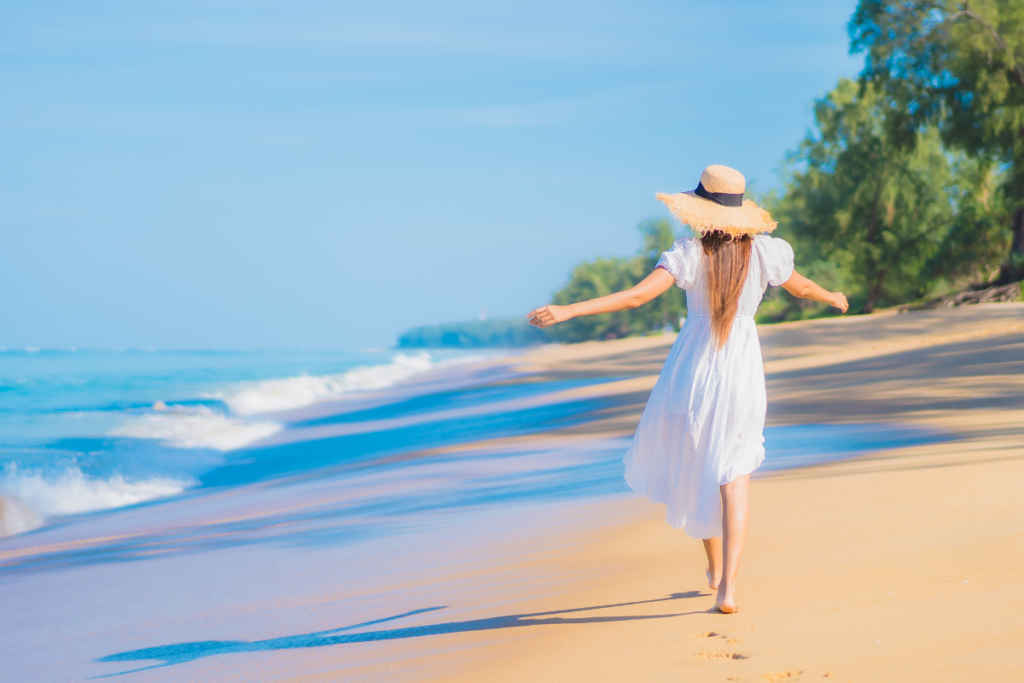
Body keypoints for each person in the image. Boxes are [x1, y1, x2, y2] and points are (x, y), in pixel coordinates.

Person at [527, 165, 848, 614]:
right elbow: (804, 287)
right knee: (734, 479)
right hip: (741, 376)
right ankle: (727, 589)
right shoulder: (767, 254)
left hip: (691, 377)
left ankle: (714, 568)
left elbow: (637, 297)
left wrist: (571, 309)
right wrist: (833, 296)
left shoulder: (687, 254)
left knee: (700, 468)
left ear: (700, 211)